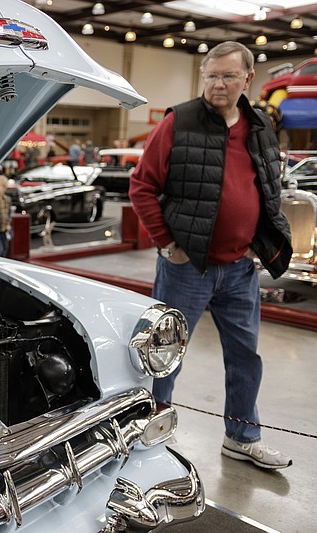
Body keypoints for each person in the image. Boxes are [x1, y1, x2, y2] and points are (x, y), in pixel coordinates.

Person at [129, 41, 293, 470]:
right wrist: (168, 243)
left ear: (248, 79)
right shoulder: (178, 122)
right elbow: (142, 186)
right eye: (212, 76)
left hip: (240, 268)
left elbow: (267, 190)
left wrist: (261, 242)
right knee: (163, 357)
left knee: (245, 356)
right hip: (187, 268)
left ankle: (241, 437)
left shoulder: (258, 125)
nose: (219, 84)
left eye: (228, 76)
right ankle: (148, 434)